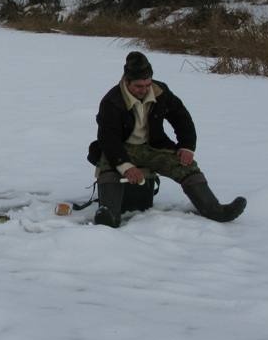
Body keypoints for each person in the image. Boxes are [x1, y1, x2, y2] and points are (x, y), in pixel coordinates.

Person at [87, 51, 246, 228]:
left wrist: (187, 146)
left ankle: (215, 210)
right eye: (139, 86)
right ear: (127, 81)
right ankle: (109, 216)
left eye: (148, 84)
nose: (145, 89)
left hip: (153, 147)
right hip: (121, 148)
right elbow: (108, 139)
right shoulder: (111, 101)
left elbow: (181, 117)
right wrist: (126, 167)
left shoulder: (160, 91)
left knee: (186, 166)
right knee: (108, 166)